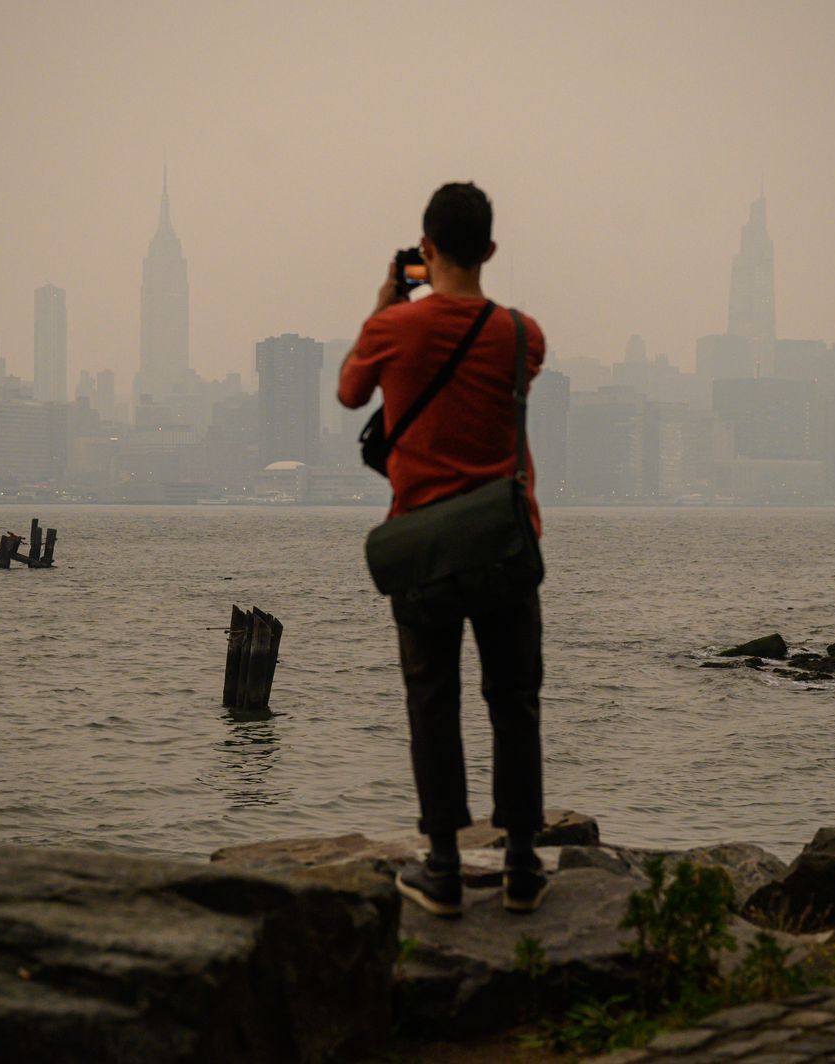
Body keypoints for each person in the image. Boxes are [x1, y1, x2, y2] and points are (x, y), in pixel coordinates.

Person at [337, 182, 549, 917]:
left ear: (425, 250)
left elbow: (348, 392)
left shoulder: (396, 328)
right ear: (490, 250)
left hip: (424, 545)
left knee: (433, 701)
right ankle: (522, 865)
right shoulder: (524, 335)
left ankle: (445, 870)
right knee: (514, 701)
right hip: (502, 541)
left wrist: (389, 300)